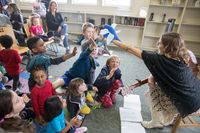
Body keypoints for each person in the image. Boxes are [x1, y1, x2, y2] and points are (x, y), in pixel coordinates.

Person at [112, 32, 200, 129]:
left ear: (167, 47)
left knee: (152, 90)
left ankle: (156, 122)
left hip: (186, 103)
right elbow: (166, 72)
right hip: (196, 95)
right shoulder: (185, 54)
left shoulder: (159, 60)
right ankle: (171, 118)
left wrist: (114, 40)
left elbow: (130, 49)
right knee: (155, 83)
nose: (157, 43)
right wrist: (153, 76)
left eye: (160, 42)